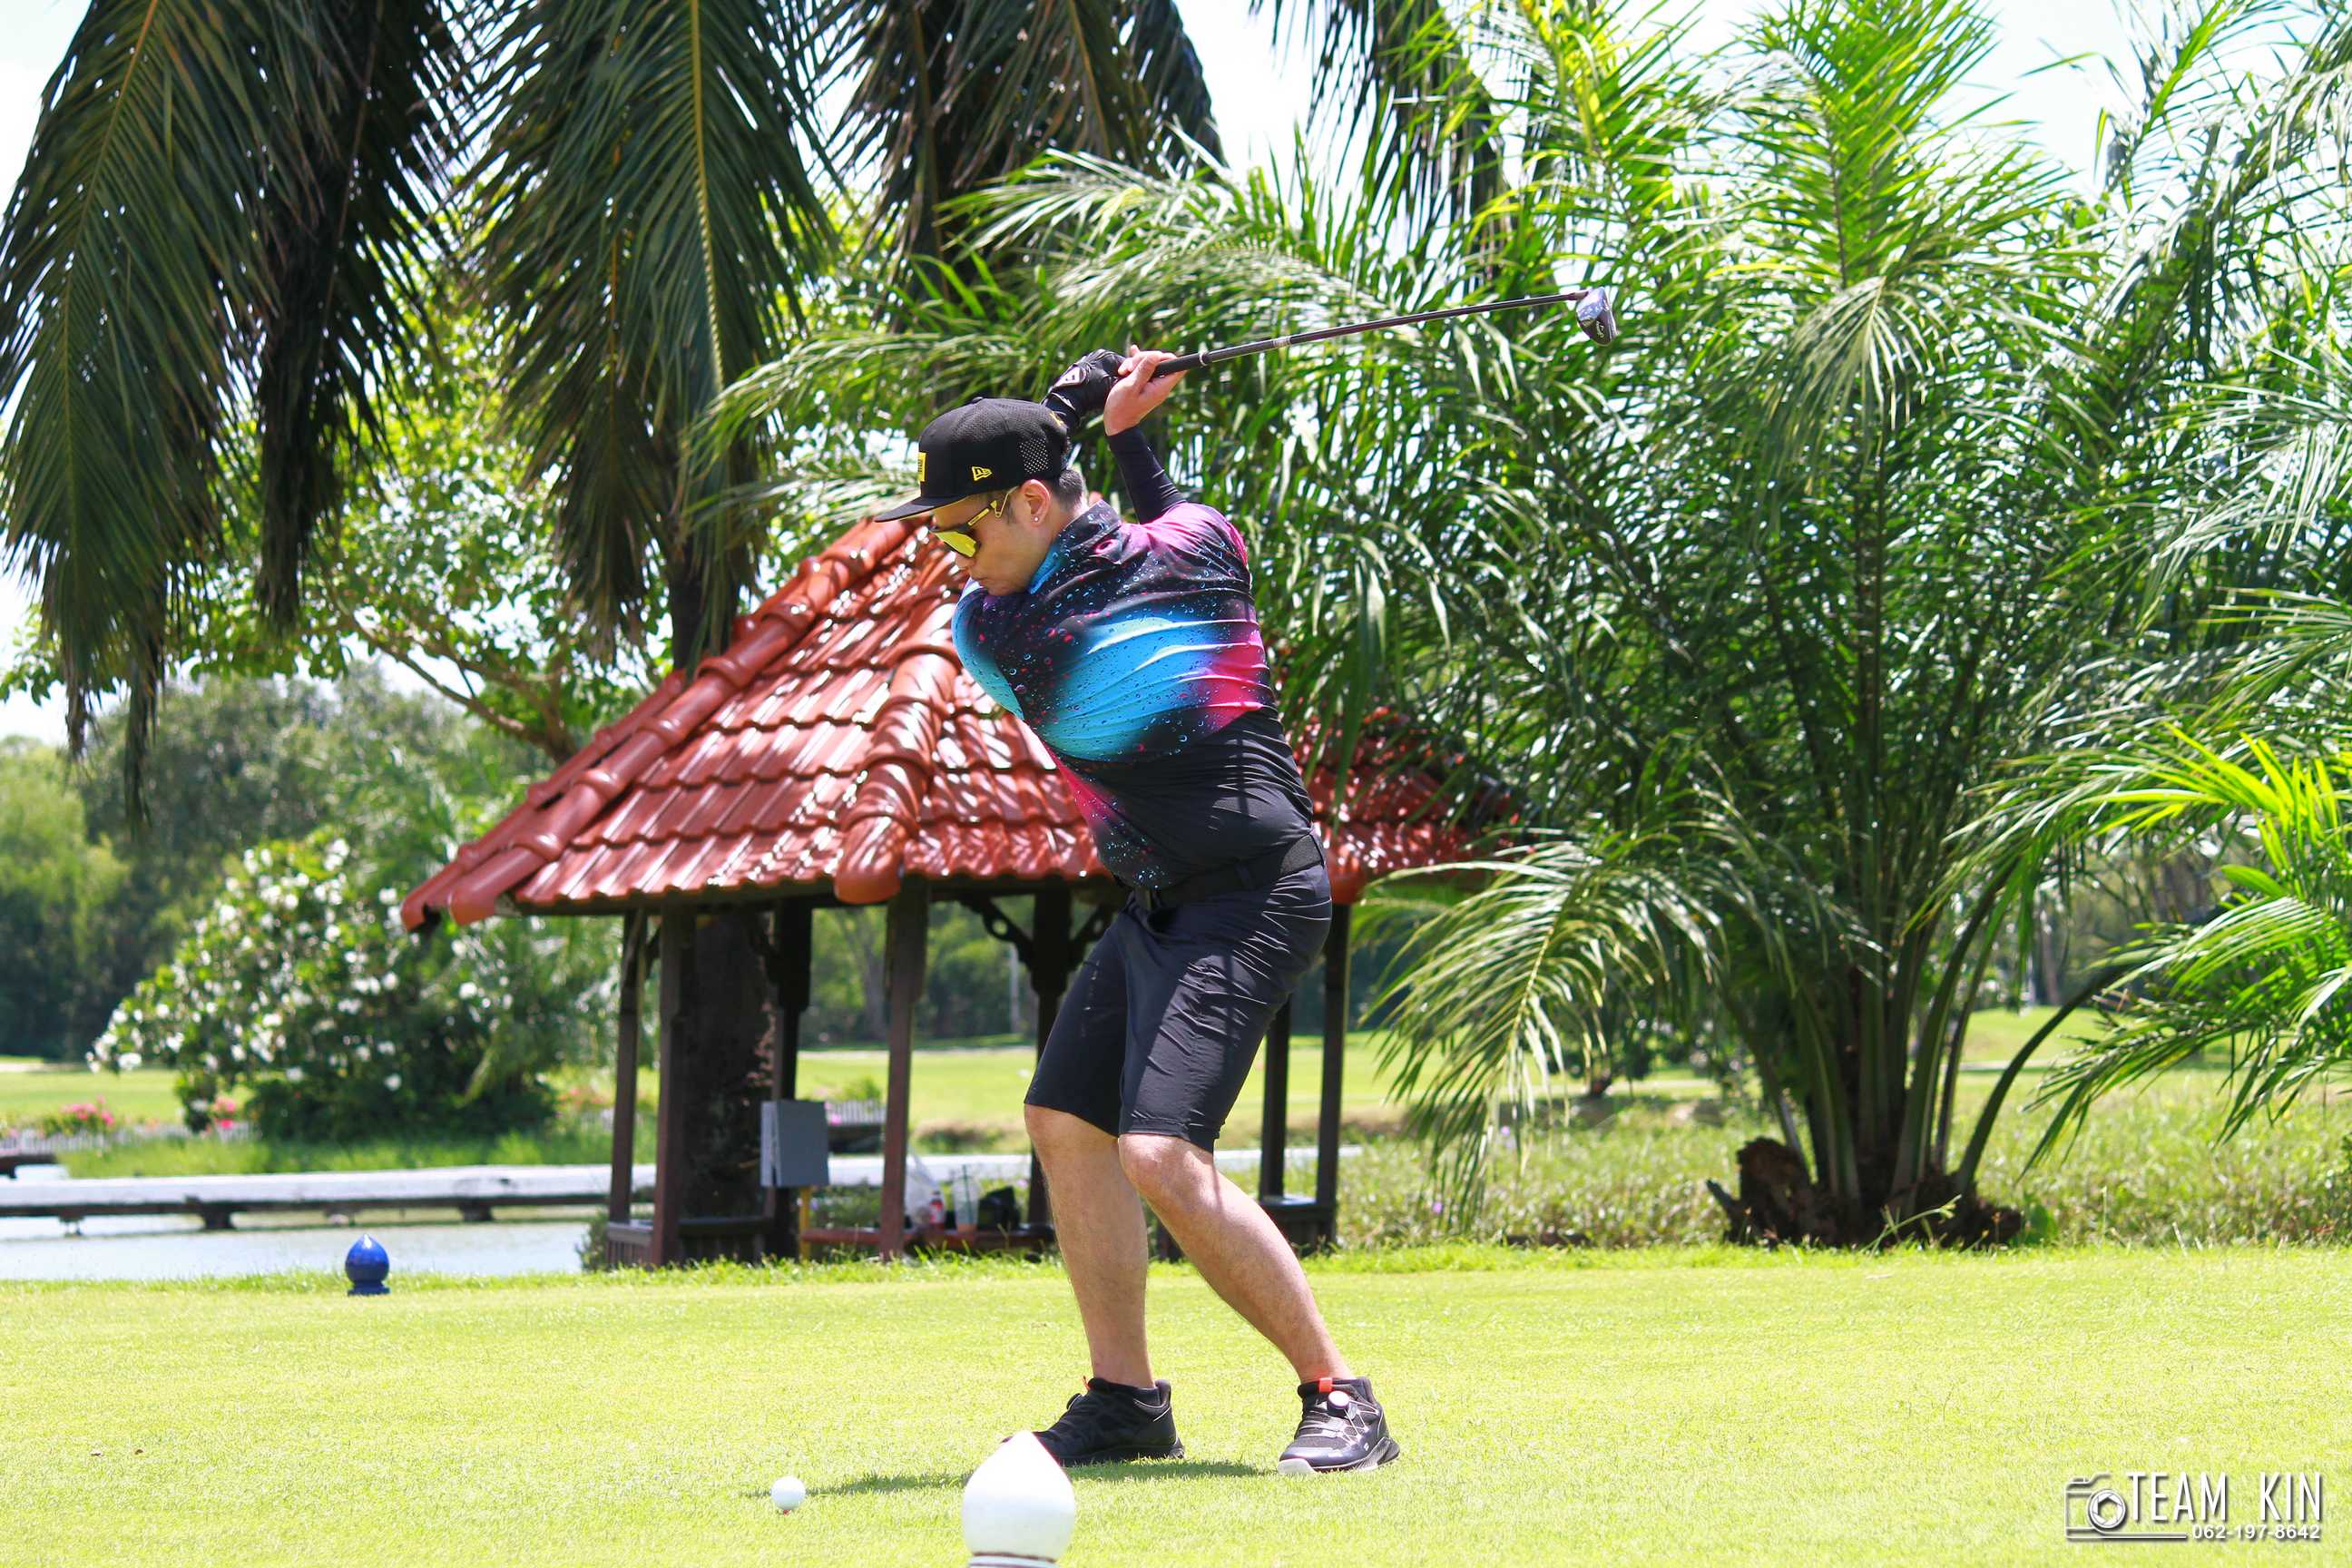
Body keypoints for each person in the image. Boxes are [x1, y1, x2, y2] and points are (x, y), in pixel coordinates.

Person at [870, 348, 1401, 1476]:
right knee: (1066, 1123)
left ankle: (1342, 1397)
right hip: (1160, 900)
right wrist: (1122, 434)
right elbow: (1165, 530)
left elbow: (1129, 555)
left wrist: (1087, 419)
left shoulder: (1005, 627)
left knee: (1159, 1152)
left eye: (957, 534)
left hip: (1256, 893)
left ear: (1030, 503)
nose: (949, 560)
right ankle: (1126, 1400)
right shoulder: (1174, 559)